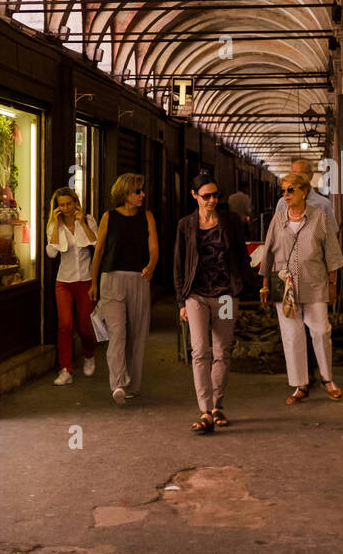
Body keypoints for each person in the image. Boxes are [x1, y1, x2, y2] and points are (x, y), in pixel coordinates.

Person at [174, 169, 249, 433]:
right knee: (199, 351)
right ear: (195, 195)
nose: (212, 200)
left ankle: (217, 405)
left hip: (227, 295)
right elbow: (180, 265)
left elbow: (242, 256)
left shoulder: (230, 222)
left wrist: (239, 287)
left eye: (215, 195)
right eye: (206, 196)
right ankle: (205, 410)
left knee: (222, 351)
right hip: (196, 295)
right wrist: (181, 301)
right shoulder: (186, 225)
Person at [259, 172, 343, 404]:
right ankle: (300, 384)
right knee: (291, 335)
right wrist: (265, 286)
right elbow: (267, 253)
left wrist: (332, 285)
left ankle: (327, 379)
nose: (285, 194)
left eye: (291, 190)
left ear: (304, 192)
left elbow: (332, 254)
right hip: (283, 285)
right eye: (283, 190)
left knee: (321, 331)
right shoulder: (277, 219)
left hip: (315, 283)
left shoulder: (319, 218)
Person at [89, 173, 158, 406]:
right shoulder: (109, 217)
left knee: (137, 334)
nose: (142, 195)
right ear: (125, 194)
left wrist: (151, 265)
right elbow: (98, 252)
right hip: (112, 280)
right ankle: (117, 384)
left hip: (139, 279)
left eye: (142, 191)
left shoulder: (147, 217)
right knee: (118, 333)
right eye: (137, 191)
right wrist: (93, 283)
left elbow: (154, 247)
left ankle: (132, 384)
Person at [45, 186, 97, 385]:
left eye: (69, 203)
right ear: (57, 208)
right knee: (65, 325)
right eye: (61, 205)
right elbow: (51, 253)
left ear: (75, 203)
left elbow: (96, 241)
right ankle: (65, 369)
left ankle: (89, 354)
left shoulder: (89, 220)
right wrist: (57, 225)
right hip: (63, 282)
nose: (66, 208)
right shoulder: (53, 225)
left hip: (85, 280)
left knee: (85, 327)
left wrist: (82, 222)